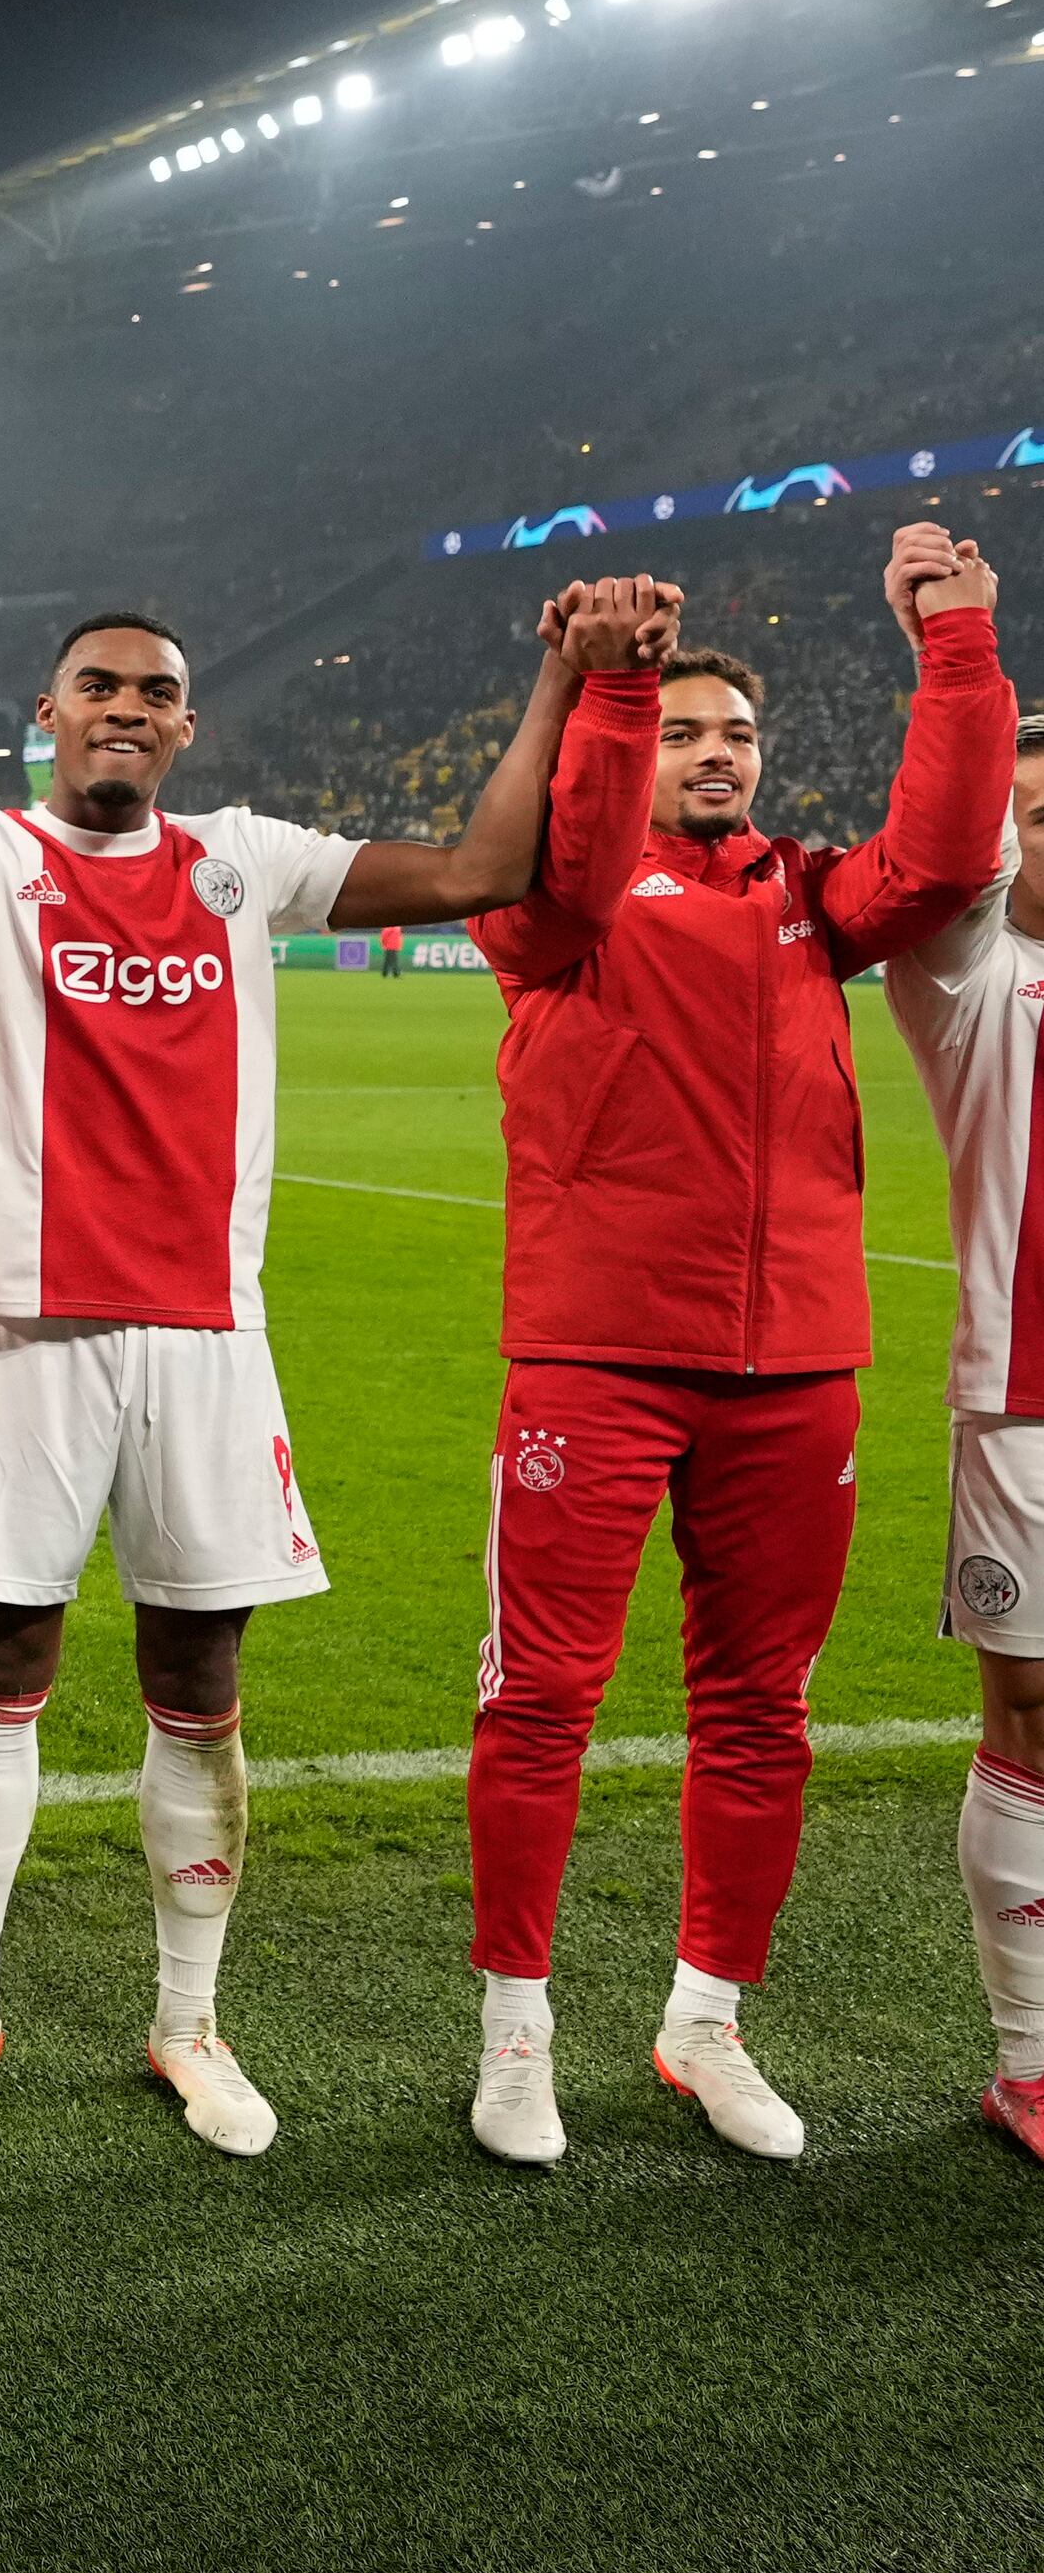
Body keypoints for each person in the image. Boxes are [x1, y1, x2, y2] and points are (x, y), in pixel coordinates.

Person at [0, 588, 616, 2154]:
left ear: (186, 726)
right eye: (97, 685)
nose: (126, 707)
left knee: (200, 1682)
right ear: (48, 714)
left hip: (208, 1336)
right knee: (3, 1656)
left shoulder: (241, 858)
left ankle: (188, 2024)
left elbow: (483, 872)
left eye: (155, 691)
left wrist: (557, 670)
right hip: (27, 1329)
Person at [462, 524, 1010, 2165]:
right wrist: (613, 694)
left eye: (739, 733)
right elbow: (565, 869)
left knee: (764, 1708)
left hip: (797, 1366)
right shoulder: (556, 907)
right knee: (542, 1701)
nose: (718, 753)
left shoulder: (809, 898)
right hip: (596, 1357)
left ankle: (706, 2022)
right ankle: (514, 2032)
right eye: (685, 729)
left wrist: (956, 645)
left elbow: (945, 856)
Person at [886, 709, 1044, 2164]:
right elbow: (951, 860)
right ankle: (1030, 2064)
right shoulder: (973, 980)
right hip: (1026, 1399)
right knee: (1033, 1712)